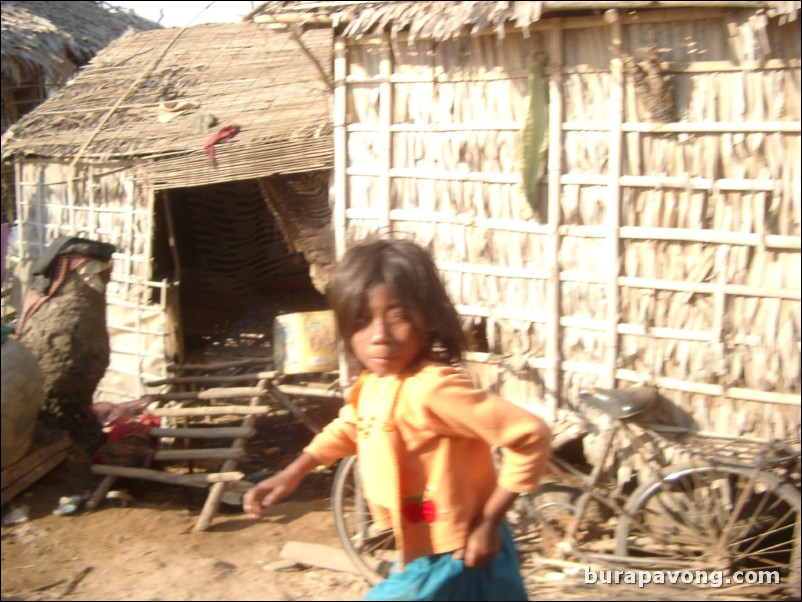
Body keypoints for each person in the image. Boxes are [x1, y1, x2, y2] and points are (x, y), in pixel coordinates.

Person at [244, 238, 551, 601]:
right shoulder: (377, 382)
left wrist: (489, 522)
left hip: (457, 553)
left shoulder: (432, 388)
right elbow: (353, 424)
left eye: (399, 316)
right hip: (431, 549)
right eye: (362, 321)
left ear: (430, 317)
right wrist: (293, 472)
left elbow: (530, 436)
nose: (380, 337)